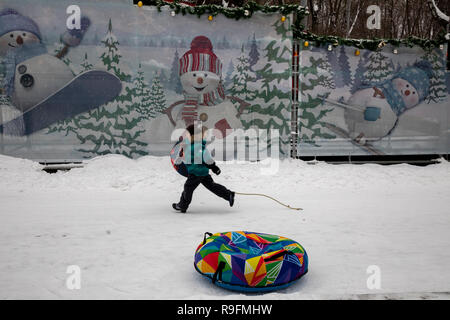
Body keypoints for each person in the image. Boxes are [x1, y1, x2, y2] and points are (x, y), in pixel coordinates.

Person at [172, 124, 235, 213]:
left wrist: (214, 167)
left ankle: (183, 205)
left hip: (196, 173)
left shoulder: (197, 146)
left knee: (188, 187)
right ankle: (228, 195)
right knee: (212, 186)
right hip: (201, 172)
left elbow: (206, 158)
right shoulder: (191, 145)